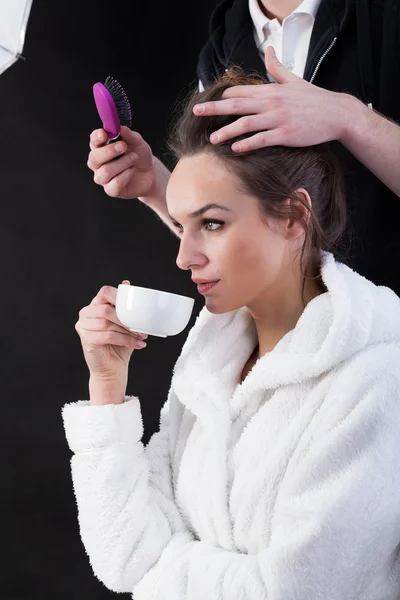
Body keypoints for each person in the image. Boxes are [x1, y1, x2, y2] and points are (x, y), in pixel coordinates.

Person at [65, 70, 400, 599]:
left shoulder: (375, 381)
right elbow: (124, 554)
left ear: (293, 216)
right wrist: (107, 388)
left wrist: (165, 564)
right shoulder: (211, 358)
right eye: (181, 223)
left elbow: (292, 594)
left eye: (213, 224)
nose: (182, 255)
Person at [87, 0, 400, 294]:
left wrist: (351, 118)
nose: (184, 261)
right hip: (294, 338)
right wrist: (155, 184)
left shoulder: (384, 19)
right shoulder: (221, 47)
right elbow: (231, 229)